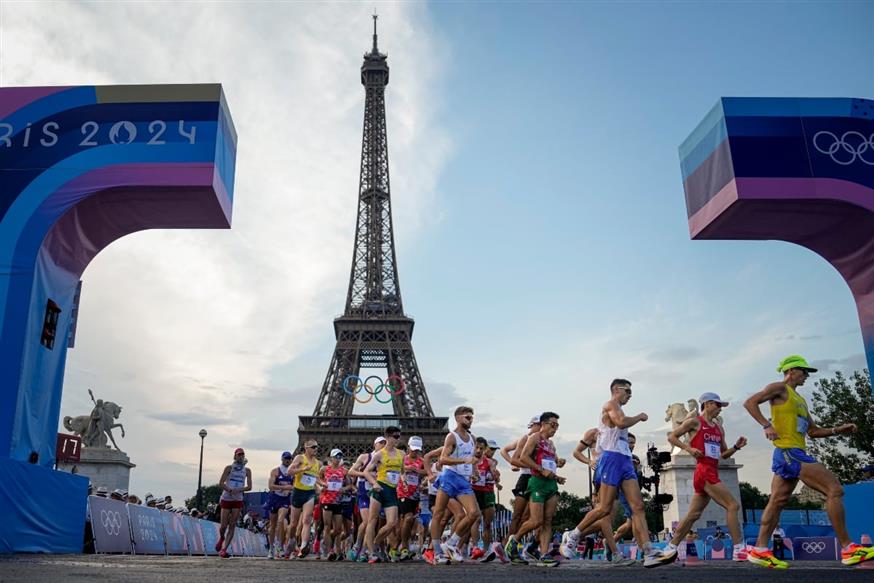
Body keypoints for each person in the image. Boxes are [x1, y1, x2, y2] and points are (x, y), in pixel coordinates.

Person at [744, 355, 874, 568]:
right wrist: (766, 425)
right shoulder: (779, 388)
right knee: (834, 489)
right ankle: (848, 548)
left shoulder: (800, 401)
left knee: (777, 501)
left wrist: (837, 430)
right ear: (792, 370)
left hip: (789, 452)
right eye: (804, 371)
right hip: (790, 451)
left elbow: (813, 431)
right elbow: (750, 402)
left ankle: (759, 549)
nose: (806, 376)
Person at [559, 379, 668, 568]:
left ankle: (649, 551)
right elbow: (621, 422)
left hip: (625, 459)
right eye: (627, 391)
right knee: (604, 509)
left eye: (631, 393)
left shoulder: (619, 408)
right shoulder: (610, 405)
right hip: (610, 459)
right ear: (616, 390)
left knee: (638, 507)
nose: (630, 395)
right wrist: (640, 417)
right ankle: (574, 535)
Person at [657, 392, 748, 565]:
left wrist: (736, 447)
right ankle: (739, 549)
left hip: (710, 470)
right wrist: (688, 448)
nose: (720, 409)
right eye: (718, 405)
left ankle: (670, 547)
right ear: (707, 404)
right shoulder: (695, 422)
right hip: (704, 471)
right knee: (733, 505)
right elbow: (671, 436)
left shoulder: (719, 428)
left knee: (693, 514)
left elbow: (724, 455)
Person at [508, 411, 565, 567]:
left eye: (557, 426)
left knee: (547, 521)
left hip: (551, 484)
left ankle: (544, 555)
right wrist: (540, 469)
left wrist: (557, 471)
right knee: (535, 520)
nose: (555, 428)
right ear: (543, 424)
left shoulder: (551, 444)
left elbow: (551, 464)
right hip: (537, 482)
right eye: (553, 425)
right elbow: (523, 457)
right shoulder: (534, 438)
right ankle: (514, 540)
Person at [429, 406, 482, 564]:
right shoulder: (451, 437)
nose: (471, 420)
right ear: (458, 418)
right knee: (438, 514)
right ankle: (437, 552)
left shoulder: (472, 438)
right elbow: (443, 459)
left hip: (463, 480)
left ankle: (451, 543)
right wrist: (463, 461)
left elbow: (471, 458)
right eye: (468, 417)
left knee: (474, 513)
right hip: (449, 477)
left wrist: (474, 471)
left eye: (472, 417)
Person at [363, 426, 405, 563]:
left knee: (392, 523)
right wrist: (374, 483)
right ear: (387, 437)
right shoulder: (379, 454)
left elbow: (402, 471)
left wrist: (403, 482)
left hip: (392, 491)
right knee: (372, 520)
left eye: (399, 436)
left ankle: (375, 542)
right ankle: (371, 552)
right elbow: (366, 471)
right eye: (395, 436)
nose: (398, 439)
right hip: (380, 489)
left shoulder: (402, 454)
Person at [500, 416, 541, 544]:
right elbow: (512, 457)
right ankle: (505, 543)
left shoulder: (543, 441)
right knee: (517, 516)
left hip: (538, 478)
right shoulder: (525, 438)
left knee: (529, 517)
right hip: (526, 477)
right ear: (533, 425)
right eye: (540, 425)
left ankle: (514, 543)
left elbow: (504, 451)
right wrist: (531, 466)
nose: (542, 428)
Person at [347, 436, 386, 561]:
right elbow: (351, 471)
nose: (383, 445)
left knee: (372, 523)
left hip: (376, 491)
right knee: (367, 521)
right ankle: (358, 545)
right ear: (375, 445)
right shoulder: (365, 457)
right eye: (381, 443)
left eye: (385, 443)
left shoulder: (386, 459)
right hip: (364, 491)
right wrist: (363, 473)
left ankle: (363, 550)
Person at [286, 439, 321, 558]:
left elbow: (314, 478)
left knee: (306, 520)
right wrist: (303, 469)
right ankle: (291, 541)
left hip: (309, 493)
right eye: (313, 447)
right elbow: (289, 471)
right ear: (306, 448)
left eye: (317, 447)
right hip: (297, 492)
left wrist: (323, 485)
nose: (315, 449)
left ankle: (303, 546)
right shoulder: (300, 458)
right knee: (294, 524)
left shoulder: (318, 463)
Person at [217, 447, 252, 558]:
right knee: (223, 526)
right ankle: (222, 537)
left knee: (232, 525)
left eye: (242, 455)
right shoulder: (228, 468)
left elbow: (250, 487)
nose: (241, 457)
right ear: (235, 456)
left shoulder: (247, 470)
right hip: (227, 497)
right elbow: (221, 483)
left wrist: (239, 490)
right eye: (239, 455)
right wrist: (230, 490)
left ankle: (223, 549)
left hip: (238, 499)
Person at [397, 436, 427, 561]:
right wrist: (406, 470)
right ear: (408, 447)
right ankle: (404, 547)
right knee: (408, 518)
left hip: (415, 495)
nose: (415, 452)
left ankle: (398, 546)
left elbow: (428, 473)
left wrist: (418, 471)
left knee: (408, 523)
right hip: (402, 492)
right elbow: (396, 470)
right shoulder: (402, 459)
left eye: (417, 450)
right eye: (413, 449)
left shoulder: (422, 461)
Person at [319, 448, 349, 560]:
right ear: (331, 458)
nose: (338, 458)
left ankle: (328, 541)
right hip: (327, 500)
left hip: (338, 501)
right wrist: (323, 484)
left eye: (340, 456)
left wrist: (344, 489)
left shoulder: (344, 471)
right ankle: (330, 551)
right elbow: (317, 479)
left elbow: (350, 485)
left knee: (337, 529)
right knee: (327, 526)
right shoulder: (324, 469)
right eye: (336, 456)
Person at [266, 451, 294, 559]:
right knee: (273, 526)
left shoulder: (292, 473)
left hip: (285, 500)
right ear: (282, 459)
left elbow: (295, 486)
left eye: (289, 458)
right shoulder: (275, 471)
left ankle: (280, 546)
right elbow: (270, 486)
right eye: (286, 458)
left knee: (281, 520)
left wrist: (290, 489)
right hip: (275, 499)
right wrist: (284, 488)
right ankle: (271, 548)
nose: (287, 460)